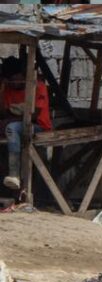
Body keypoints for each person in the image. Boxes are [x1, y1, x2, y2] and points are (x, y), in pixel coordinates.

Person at [1, 56, 52, 191]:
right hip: (18, 126)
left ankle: (14, 174)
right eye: (9, 81)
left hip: (39, 127)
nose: (12, 84)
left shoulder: (38, 86)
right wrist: (2, 88)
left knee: (11, 127)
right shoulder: (8, 89)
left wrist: (10, 120)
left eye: (13, 80)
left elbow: (34, 115)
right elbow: (4, 113)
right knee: (9, 127)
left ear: (21, 75)